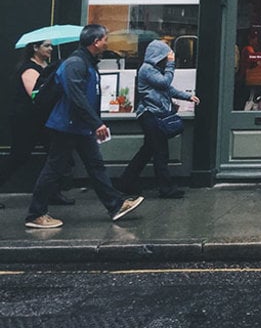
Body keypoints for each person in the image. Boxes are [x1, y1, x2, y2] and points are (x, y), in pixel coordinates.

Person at [24, 24, 144, 229]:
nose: (107, 42)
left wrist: (92, 123)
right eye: (105, 39)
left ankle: (115, 205)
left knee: (95, 165)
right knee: (54, 168)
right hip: (66, 125)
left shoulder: (87, 62)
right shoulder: (75, 63)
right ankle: (35, 214)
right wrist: (96, 123)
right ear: (96, 42)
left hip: (79, 126)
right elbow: (76, 96)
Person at [118, 40, 199, 199]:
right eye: (164, 56)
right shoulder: (147, 69)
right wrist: (170, 64)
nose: (166, 59)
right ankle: (165, 188)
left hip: (153, 114)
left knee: (148, 151)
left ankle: (126, 182)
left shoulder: (153, 69)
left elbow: (168, 89)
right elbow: (164, 83)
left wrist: (188, 96)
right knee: (160, 152)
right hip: (150, 115)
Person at [0, 40, 76, 209]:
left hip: (42, 120)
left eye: (50, 46)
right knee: (19, 156)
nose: (50, 49)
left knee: (56, 154)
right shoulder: (29, 69)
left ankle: (52, 193)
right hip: (26, 120)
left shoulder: (46, 66)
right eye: (46, 46)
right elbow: (36, 95)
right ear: (35, 48)